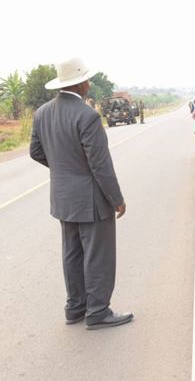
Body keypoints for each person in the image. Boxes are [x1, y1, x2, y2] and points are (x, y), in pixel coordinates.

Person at [29, 57, 133, 330]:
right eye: (86, 79)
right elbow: (100, 165)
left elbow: (35, 152)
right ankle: (98, 311)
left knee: (72, 254)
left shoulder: (42, 113)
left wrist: (64, 168)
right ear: (82, 84)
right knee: (98, 255)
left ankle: (75, 308)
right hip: (91, 199)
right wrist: (117, 199)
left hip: (63, 198)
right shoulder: (87, 115)